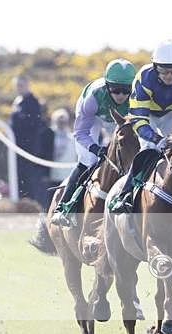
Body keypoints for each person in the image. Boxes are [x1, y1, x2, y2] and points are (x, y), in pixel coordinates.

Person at [109, 40, 172, 213]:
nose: (169, 76)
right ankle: (125, 196)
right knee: (148, 149)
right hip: (146, 114)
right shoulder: (144, 78)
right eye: (164, 71)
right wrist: (156, 139)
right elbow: (138, 120)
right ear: (155, 66)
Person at [50, 58, 136, 226]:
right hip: (94, 117)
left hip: (120, 120)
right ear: (107, 86)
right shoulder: (93, 97)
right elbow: (80, 132)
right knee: (88, 160)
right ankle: (64, 208)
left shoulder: (137, 97)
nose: (121, 95)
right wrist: (95, 148)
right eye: (115, 90)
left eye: (125, 90)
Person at [10, 75, 43, 202]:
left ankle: (29, 203)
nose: (19, 88)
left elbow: (32, 123)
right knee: (20, 178)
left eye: (21, 85)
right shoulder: (18, 101)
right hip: (17, 147)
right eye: (17, 86)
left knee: (29, 178)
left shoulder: (32, 102)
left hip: (28, 148)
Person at [48, 108, 76, 184]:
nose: (61, 123)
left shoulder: (72, 139)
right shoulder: (48, 137)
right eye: (59, 120)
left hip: (67, 175)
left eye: (63, 121)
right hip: (52, 175)